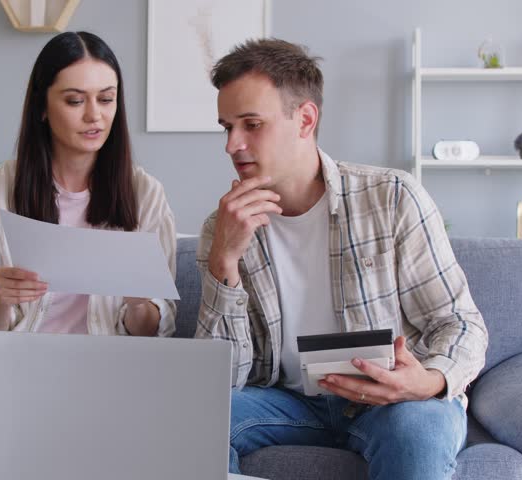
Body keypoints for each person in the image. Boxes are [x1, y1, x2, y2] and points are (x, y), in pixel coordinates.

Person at [194, 38, 488, 479]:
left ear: (305, 119)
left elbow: (461, 323)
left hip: (391, 401)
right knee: (196, 419)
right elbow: (222, 381)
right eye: (227, 126)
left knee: (416, 431)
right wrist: (225, 267)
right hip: (288, 403)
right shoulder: (223, 228)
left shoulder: (391, 198)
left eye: (251, 124)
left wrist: (425, 382)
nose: (232, 144)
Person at [0, 31, 177, 480]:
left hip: (107, 372)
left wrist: (141, 303)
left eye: (106, 99)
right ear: (43, 107)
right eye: (75, 100)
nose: (95, 115)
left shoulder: (145, 194)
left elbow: (154, 330)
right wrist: (2, 299)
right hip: (8, 369)